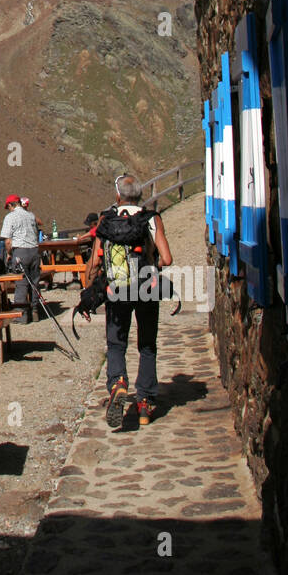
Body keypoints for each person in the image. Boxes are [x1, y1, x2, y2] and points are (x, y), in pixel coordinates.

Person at [84, 173, 173, 429]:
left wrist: (90, 290)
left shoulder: (107, 220)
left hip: (116, 290)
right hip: (145, 289)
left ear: (117, 195)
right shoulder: (151, 219)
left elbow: (95, 261)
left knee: (116, 344)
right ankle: (144, 403)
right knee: (147, 345)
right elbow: (166, 259)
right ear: (141, 195)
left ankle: (118, 383)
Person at [0, 196, 41, 321]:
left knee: (21, 282)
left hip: (20, 251)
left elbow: (7, 240)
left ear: (10, 205)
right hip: (34, 250)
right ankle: (35, 310)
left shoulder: (10, 217)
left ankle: (21, 314)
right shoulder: (31, 215)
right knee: (34, 281)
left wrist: (9, 254)